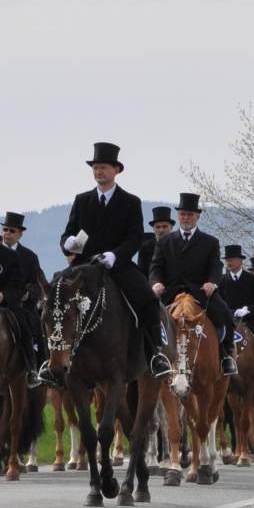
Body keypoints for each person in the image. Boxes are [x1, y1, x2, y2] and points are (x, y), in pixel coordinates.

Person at [60, 142, 168, 376]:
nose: (99, 172)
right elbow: (68, 232)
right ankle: (50, 358)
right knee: (54, 294)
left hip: (117, 266)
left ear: (116, 170)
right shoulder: (81, 200)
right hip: (84, 266)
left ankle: (155, 352)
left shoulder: (131, 202)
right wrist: (66, 242)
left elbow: (135, 238)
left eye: (104, 168)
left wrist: (114, 255)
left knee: (148, 299)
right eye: (96, 167)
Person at [149, 192, 233, 375]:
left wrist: (212, 282)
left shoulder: (210, 242)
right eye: (183, 214)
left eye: (190, 214)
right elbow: (156, 266)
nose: (186, 218)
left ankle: (227, 356)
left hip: (201, 291)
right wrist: (155, 283)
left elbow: (215, 266)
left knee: (225, 314)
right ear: (178, 216)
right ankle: (155, 356)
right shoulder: (165, 241)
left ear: (197, 216)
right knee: (147, 316)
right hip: (170, 292)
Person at [0, 209, 49, 384]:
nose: (7, 234)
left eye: (11, 231)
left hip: (18, 305)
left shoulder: (29, 257)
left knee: (30, 328)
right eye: (5, 230)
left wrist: (28, 294)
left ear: (20, 234)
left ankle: (33, 368)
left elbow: (37, 284)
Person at [216, 242, 254, 387]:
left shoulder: (251, 279)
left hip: (251, 320)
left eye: (232, 259)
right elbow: (218, 302)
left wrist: (247, 309)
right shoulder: (221, 280)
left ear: (240, 261)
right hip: (229, 321)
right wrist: (231, 312)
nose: (229, 262)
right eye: (227, 260)